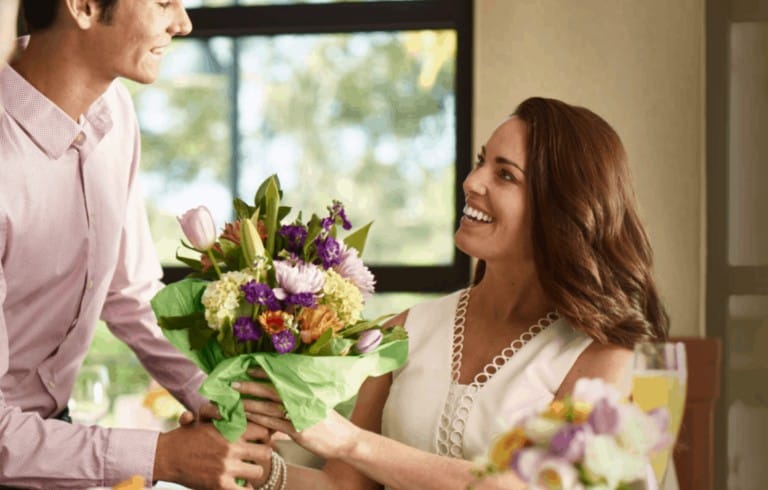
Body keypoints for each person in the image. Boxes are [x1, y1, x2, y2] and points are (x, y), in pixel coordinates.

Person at [231, 96, 670, 489]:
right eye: (481, 161)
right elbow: (345, 486)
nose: (473, 181)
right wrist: (260, 469)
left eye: (505, 175)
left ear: (560, 209)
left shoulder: (600, 356)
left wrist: (350, 441)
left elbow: (520, 487)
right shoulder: (404, 331)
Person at [0, 1, 271, 488]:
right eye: (164, 1)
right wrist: (162, 457)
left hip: (50, 439)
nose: (183, 22)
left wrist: (213, 393)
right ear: (83, 6)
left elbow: (130, 293)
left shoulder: (114, 113)